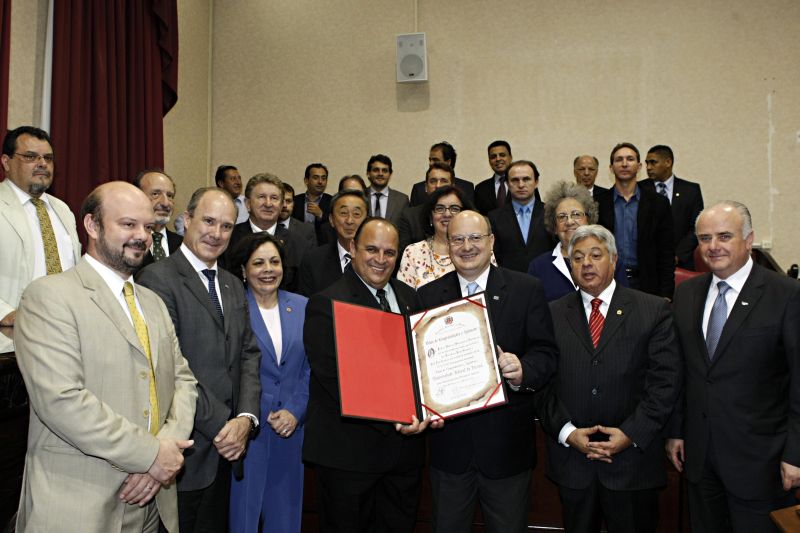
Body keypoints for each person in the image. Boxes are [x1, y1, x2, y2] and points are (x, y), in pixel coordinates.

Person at [14, 181, 197, 532]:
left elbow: (184, 380)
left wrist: (165, 453)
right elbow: (62, 401)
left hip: (150, 504)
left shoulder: (153, 303)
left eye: (147, 226)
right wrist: (151, 455)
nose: (141, 235)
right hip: (78, 504)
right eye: (128, 224)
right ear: (92, 226)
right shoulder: (48, 297)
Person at [417, 210, 558, 532]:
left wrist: (523, 370)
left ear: (491, 241)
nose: (466, 246)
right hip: (448, 451)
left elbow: (547, 353)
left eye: (475, 238)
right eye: (458, 239)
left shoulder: (526, 289)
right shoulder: (426, 297)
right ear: (447, 245)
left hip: (506, 450)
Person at [537, 225, 681, 533]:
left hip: (632, 464)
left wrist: (630, 434)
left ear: (614, 260)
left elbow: (664, 383)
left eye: (595, 255)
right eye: (577, 257)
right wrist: (566, 432)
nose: (586, 263)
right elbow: (541, 384)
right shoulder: (550, 314)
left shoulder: (653, 310)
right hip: (573, 464)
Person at [666, 201, 800, 532]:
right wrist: (676, 431)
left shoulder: (785, 294)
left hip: (761, 461)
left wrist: (796, 453)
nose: (713, 247)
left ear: (749, 239)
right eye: (704, 238)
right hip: (699, 458)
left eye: (724, 236)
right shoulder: (687, 293)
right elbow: (682, 371)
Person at [137, 187, 261, 533]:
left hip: (228, 452)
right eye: (208, 221)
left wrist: (246, 419)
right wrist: (224, 426)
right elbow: (173, 366)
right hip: (185, 451)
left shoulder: (233, 284)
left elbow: (248, 353)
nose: (216, 233)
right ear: (187, 220)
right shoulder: (157, 279)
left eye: (225, 226)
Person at [303, 218, 438, 532]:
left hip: (403, 457)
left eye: (390, 252)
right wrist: (395, 416)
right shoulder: (326, 302)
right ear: (353, 248)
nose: (381, 259)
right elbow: (332, 376)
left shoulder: (410, 298)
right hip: (349, 457)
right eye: (372, 250)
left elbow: (421, 365)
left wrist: (428, 408)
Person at [229, 233, 310, 533]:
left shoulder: (302, 306)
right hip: (246, 436)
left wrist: (295, 410)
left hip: (291, 432)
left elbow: (313, 366)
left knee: (286, 522)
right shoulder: (234, 310)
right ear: (243, 270)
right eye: (258, 262)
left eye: (274, 262)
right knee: (243, 521)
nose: (268, 269)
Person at [0, 126, 81, 327]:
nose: (42, 164)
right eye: (30, 157)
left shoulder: (63, 209)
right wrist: (4, 313)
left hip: (66, 330)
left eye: (48, 158)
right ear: (6, 162)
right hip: (13, 336)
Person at [596, 142, 675, 298]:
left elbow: (666, 251)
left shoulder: (658, 203)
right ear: (611, 168)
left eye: (630, 159)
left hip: (647, 283)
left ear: (639, 166)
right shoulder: (597, 203)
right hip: (608, 281)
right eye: (619, 160)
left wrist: (666, 293)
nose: (624, 164)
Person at [527, 181, 627, 302]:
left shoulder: (610, 259)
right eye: (562, 216)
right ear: (554, 227)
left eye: (576, 214)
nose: (569, 222)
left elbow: (625, 302)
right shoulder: (538, 267)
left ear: (589, 219)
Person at [223, 173, 312, 291]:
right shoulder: (227, 238)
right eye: (261, 197)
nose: (268, 204)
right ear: (248, 204)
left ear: (281, 206)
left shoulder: (299, 244)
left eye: (274, 198)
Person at [397, 185, 496, 289]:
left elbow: (494, 287)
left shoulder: (479, 248)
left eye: (454, 208)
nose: (447, 214)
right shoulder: (413, 252)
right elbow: (405, 298)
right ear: (431, 216)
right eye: (440, 208)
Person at [640, 145, 704, 270]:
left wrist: (677, 255)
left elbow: (697, 227)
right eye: (647, 163)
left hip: (681, 263)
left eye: (653, 162)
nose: (648, 167)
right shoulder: (640, 189)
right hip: (646, 264)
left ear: (668, 162)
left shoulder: (690, 190)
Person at [298, 189, 368, 296]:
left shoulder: (377, 260)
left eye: (357, 214)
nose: (349, 220)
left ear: (367, 220)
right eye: (343, 213)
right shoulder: (313, 261)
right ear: (331, 220)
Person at [488, 160, 554, 272]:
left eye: (526, 179)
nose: (521, 185)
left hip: (546, 279)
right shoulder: (494, 217)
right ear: (507, 184)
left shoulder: (550, 212)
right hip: (510, 282)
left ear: (536, 182)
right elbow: (494, 256)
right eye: (515, 180)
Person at [397, 161, 456, 253]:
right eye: (433, 181)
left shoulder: (461, 214)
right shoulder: (409, 216)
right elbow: (402, 254)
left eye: (443, 181)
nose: (438, 186)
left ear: (452, 186)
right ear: (425, 187)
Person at [132, 168, 182, 270]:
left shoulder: (184, 246)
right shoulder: (126, 241)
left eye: (170, 196)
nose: (165, 203)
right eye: (156, 194)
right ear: (136, 197)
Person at [408, 141, 475, 206]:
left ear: (448, 162)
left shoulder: (467, 188)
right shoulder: (418, 189)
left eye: (435, 160)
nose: (430, 163)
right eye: (430, 160)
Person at [292, 163, 332, 244]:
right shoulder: (295, 201)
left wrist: (321, 215)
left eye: (323, 178)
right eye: (316, 178)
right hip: (298, 245)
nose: (320, 182)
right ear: (306, 180)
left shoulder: (332, 201)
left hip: (323, 246)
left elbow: (337, 224)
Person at [366, 154, 410, 225]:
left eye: (385, 171)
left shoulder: (402, 200)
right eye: (376, 170)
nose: (380, 174)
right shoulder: (361, 196)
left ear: (390, 174)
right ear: (368, 173)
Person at [474, 140, 513, 215]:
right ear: (489, 161)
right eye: (493, 157)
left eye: (502, 155)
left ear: (510, 157)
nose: (498, 159)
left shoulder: (524, 183)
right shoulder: (480, 189)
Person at [278, 182, 317, 249]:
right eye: (281, 201)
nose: (284, 205)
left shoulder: (306, 231)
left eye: (288, 201)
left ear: (293, 204)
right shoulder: (263, 226)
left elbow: (312, 257)